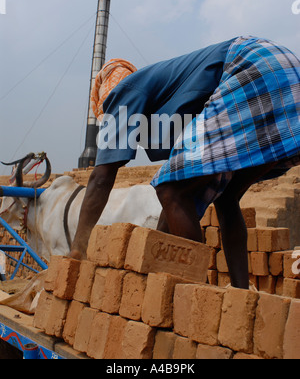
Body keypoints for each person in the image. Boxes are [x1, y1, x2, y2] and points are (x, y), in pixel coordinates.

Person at [69, 36, 300, 289]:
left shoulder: (123, 91)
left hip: (251, 66)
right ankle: (241, 296)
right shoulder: (166, 94)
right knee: (226, 196)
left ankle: (200, 300)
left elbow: (101, 178)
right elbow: (177, 203)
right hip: (286, 72)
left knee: (170, 189)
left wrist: (78, 250)